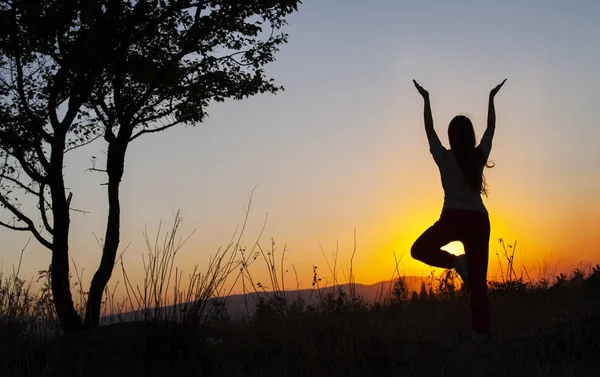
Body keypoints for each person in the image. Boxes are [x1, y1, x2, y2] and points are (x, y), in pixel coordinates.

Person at [410, 78, 506, 336]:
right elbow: (491, 129)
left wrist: (426, 99)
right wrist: (491, 98)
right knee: (479, 285)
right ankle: (481, 338)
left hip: (453, 218)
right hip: (478, 221)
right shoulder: (478, 156)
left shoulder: (443, 157)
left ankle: (457, 263)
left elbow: (429, 131)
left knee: (418, 249)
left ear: (452, 137)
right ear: (470, 135)